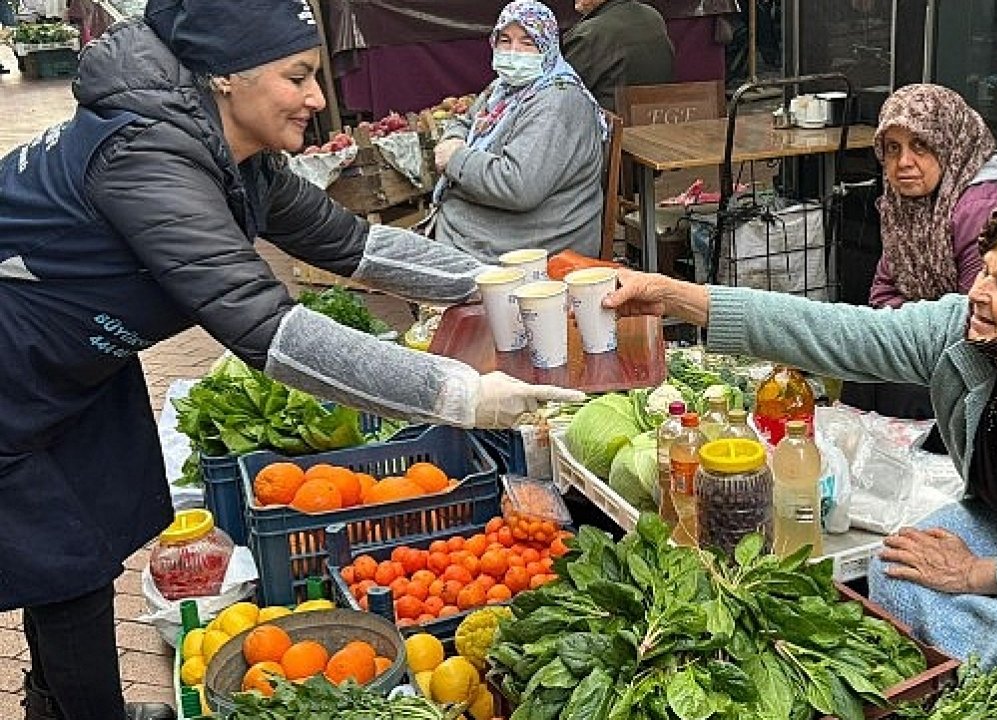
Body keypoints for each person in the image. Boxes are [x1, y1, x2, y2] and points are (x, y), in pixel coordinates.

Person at [0, 1, 586, 718]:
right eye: (298, 76)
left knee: (82, 550)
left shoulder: (232, 159)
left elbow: (355, 245)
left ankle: (57, 706)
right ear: (226, 80)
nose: (316, 97)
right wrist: (459, 393)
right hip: (11, 374)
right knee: (66, 568)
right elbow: (264, 326)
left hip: (72, 366)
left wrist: (504, 285)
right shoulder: (147, 158)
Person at [603, 203, 997, 707]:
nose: (980, 295)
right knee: (893, 572)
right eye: (984, 274)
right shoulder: (967, 332)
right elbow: (840, 333)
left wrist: (977, 577)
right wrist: (679, 297)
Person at [844, 83, 997, 422]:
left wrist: (907, 333)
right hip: (932, 339)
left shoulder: (985, 209)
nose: (903, 162)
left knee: (901, 389)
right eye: (892, 148)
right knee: (863, 366)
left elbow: (977, 316)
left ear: (950, 144)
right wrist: (904, 336)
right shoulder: (901, 205)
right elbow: (883, 290)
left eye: (920, 145)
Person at [432, 1, 606, 264]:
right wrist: (454, 140)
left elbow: (517, 186)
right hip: (489, 226)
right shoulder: (507, 87)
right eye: (505, 40)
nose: (514, 52)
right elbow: (467, 120)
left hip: (535, 243)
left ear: (548, 48)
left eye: (528, 43)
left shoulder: (558, 102)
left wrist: (456, 159)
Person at [561, 0, 675, 113]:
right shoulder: (653, 16)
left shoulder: (589, 34)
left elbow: (559, 98)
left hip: (610, 126)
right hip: (653, 121)